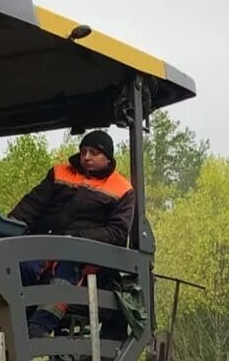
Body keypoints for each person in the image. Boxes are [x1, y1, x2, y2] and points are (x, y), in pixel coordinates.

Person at [11, 130, 137, 343]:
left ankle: (39, 326)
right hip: (44, 245)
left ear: (108, 157)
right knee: (22, 266)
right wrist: (10, 227)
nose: (87, 157)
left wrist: (77, 238)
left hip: (86, 257)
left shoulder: (122, 189)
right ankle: (14, 322)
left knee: (68, 268)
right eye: (84, 151)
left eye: (94, 153)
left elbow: (117, 232)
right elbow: (31, 206)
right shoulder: (60, 173)